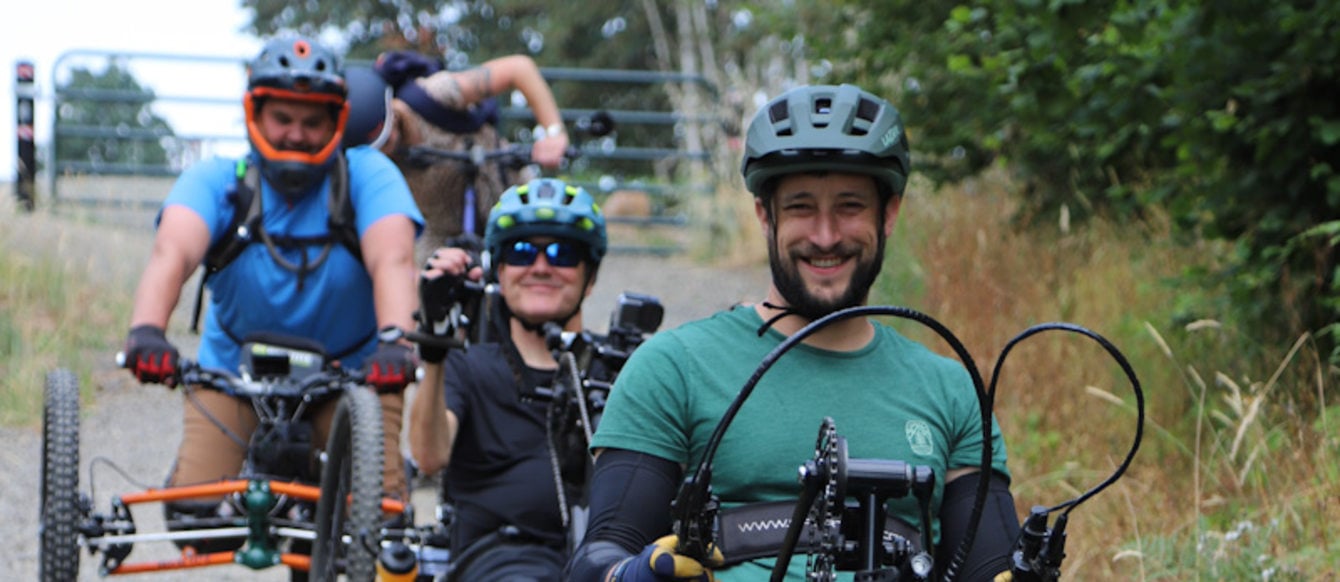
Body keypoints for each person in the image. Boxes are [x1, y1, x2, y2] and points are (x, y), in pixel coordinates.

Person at [566, 84, 1022, 581]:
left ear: (888, 214)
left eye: (849, 207)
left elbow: (991, 566)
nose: (825, 236)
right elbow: (599, 558)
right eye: (802, 208)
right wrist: (631, 576)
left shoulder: (952, 392)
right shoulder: (674, 368)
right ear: (766, 215)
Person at [121, 35, 423, 548]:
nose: (297, 135)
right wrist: (147, 332)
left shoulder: (368, 176)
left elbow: (393, 259)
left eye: (313, 122)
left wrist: (397, 341)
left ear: (337, 122)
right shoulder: (219, 180)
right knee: (198, 529)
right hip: (235, 374)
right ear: (254, 116)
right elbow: (171, 253)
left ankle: (378, 478)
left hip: (350, 375)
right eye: (283, 118)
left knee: (379, 532)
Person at [408, 177, 608, 581]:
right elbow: (428, 455)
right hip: (503, 559)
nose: (540, 266)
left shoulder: (624, 367)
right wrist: (434, 348)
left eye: (563, 253)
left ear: (591, 278)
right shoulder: (467, 367)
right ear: (499, 271)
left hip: (610, 561)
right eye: (521, 252)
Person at [345, 50, 570, 265]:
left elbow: (519, 68)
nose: (387, 145)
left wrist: (553, 133)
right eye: (378, 146)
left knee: (542, 261)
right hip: (441, 231)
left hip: (507, 193)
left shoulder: (436, 93)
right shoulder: (370, 163)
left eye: (388, 134)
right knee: (426, 285)